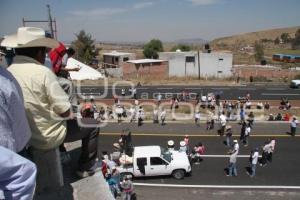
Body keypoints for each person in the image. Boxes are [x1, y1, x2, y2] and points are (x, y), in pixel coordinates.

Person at [3, 27, 100, 178]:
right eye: (45, 52)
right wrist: (80, 109)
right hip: (45, 137)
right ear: (39, 53)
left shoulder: (9, 72)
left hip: (25, 138)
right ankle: (85, 167)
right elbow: (66, 112)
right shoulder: (43, 73)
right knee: (93, 125)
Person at [0, 54, 37, 199]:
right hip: (17, 152)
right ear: (40, 53)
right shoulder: (6, 77)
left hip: (17, 150)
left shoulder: (11, 70)